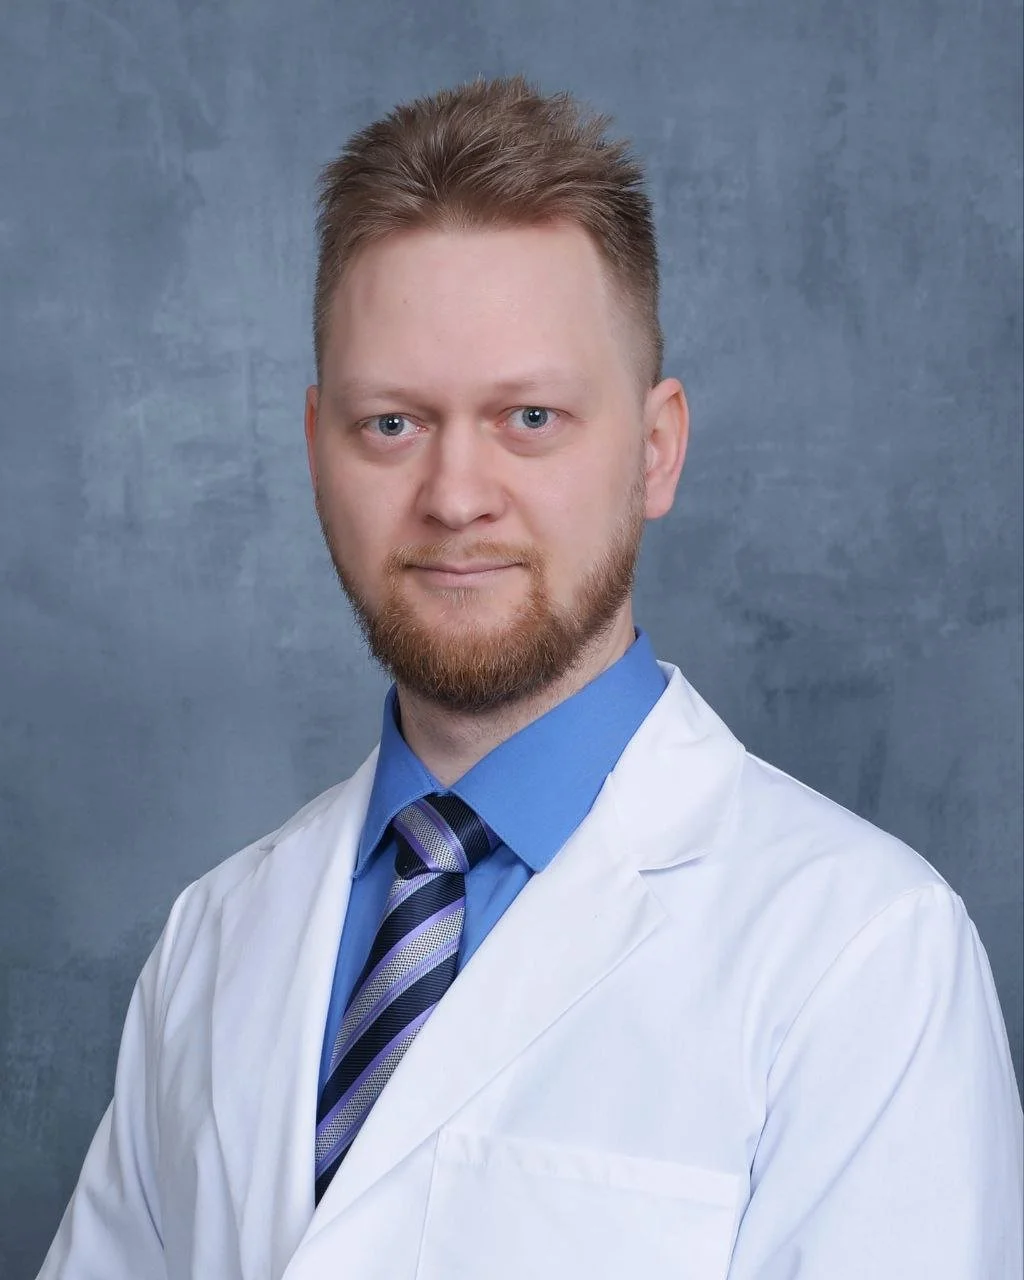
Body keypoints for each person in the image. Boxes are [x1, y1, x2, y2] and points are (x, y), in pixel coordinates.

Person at [38, 75, 1021, 1280]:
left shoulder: (861, 952)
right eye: (391, 423)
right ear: (313, 449)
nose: (456, 495)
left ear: (654, 451)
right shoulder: (214, 938)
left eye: (532, 417)